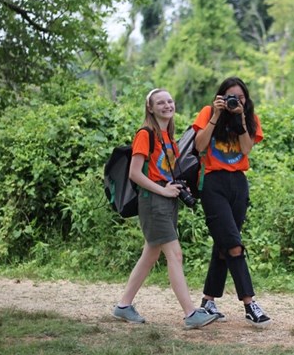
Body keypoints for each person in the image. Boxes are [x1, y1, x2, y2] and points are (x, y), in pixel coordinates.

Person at [112, 88, 217, 329]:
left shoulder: (167, 136)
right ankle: (191, 314)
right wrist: (163, 191)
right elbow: (135, 174)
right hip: (153, 200)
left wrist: (176, 189)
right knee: (175, 254)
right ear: (150, 108)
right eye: (160, 102)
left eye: (169, 101)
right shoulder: (145, 134)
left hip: (166, 199)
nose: (167, 105)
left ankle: (123, 306)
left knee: (150, 254)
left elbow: (165, 171)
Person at [192, 76, 271, 327]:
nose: (235, 100)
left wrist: (240, 120)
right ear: (221, 96)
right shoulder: (207, 112)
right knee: (234, 245)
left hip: (238, 183)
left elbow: (246, 149)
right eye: (230, 96)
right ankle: (250, 304)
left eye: (240, 97)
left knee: (225, 242)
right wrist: (216, 115)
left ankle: (208, 301)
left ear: (246, 99)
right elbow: (199, 146)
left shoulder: (249, 119)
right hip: (213, 183)